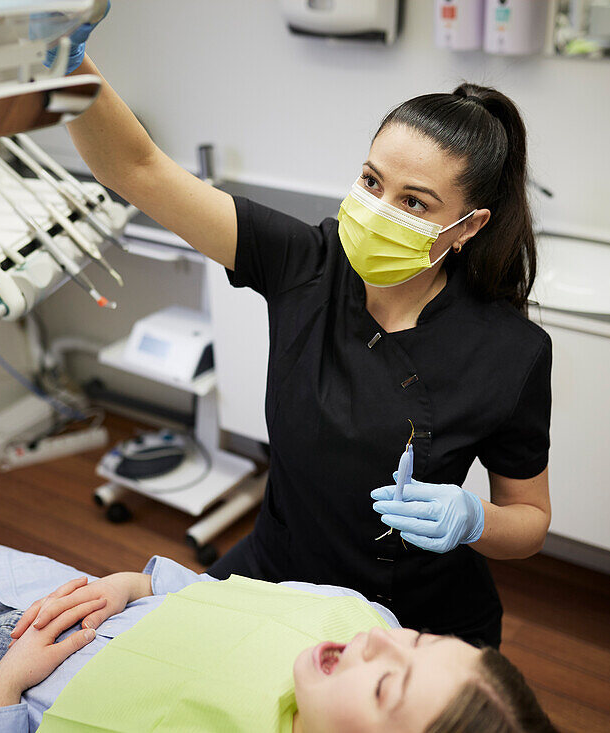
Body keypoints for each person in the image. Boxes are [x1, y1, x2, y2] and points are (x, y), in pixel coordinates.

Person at [63, 18, 552, 647]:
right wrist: (64, 59)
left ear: (467, 226)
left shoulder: (508, 351)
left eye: (415, 203)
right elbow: (137, 168)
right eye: (372, 181)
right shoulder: (306, 264)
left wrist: (474, 519)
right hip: (277, 573)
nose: (379, 209)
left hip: (413, 620)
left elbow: (531, 522)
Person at [0, 529, 556, 732]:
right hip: (67, 599)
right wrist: (135, 580)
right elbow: (232, 593)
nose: (378, 644)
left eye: (386, 685)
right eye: (419, 639)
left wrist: (2, 691)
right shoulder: (362, 617)